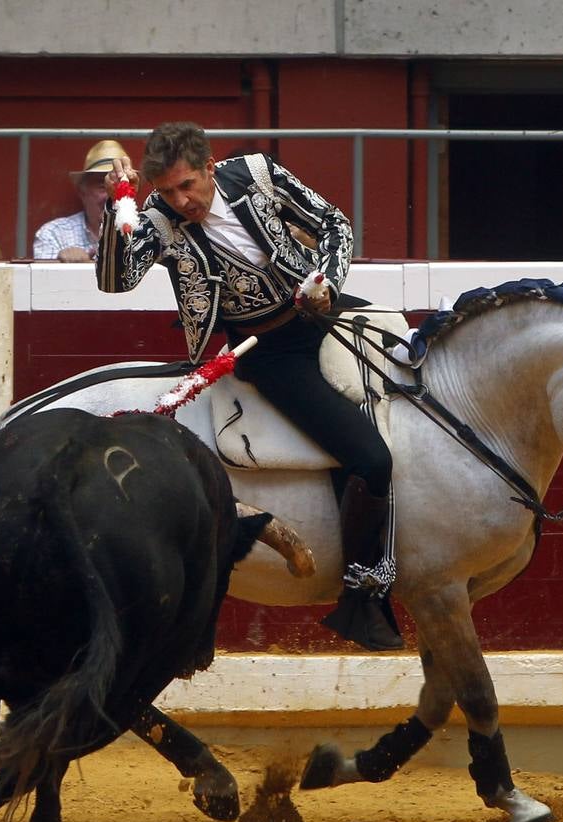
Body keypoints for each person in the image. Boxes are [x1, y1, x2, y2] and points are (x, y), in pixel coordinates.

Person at [98, 121, 401, 652]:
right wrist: (115, 205)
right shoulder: (158, 220)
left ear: (210, 167)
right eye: (167, 191)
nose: (180, 200)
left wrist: (328, 281)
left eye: (187, 185)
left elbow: (333, 223)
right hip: (272, 352)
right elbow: (114, 279)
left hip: (325, 314)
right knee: (371, 458)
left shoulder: (257, 173)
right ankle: (361, 593)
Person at [32, 139, 125, 261]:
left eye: (119, 187)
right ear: (82, 192)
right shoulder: (54, 234)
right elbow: (42, 278)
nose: (112, 196)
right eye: (102, 187)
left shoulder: (146, 233)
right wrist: (62, 266)